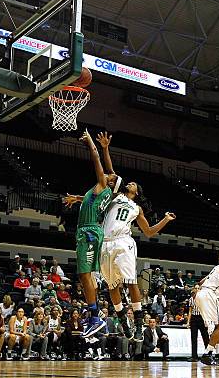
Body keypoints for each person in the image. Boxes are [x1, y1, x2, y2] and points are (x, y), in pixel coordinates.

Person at [98, 176, 176, 341]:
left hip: (124, 242)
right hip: (105, 244)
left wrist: (165, 220)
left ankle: (139, 324)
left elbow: (148, 231)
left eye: (134, 183)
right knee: (112, 285)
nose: (130, 182)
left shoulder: (137, 208)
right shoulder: (115, 196)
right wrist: (78, 199)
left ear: (137, 192)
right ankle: (123, 320)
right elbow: (96, 197)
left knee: (131, 281)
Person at [62, 130, 119, 338]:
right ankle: (94, 315)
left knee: (84, 274)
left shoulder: (104, 185)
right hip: (88, 231)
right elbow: (89, 200)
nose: (109, 172)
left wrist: (93, 146)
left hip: (90, 232)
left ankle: (95, 316)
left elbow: (98, 163)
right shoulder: (103, 190)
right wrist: (77, 199)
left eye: (110, 175)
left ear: (111, 182)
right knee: (84, 275)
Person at [186, 285, 209, 362]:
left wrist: (207, 320)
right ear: (194, 289)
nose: (197, 289)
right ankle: (194, 356)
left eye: (199, 288)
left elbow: (206, 311)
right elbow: (190, 311)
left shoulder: (205, 299)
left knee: (205, 337)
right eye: (196, 288)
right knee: (193, 338)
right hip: (194, 319)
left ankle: (208, 355)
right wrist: (188, 322)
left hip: (202, 318)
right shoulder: (191, 299)